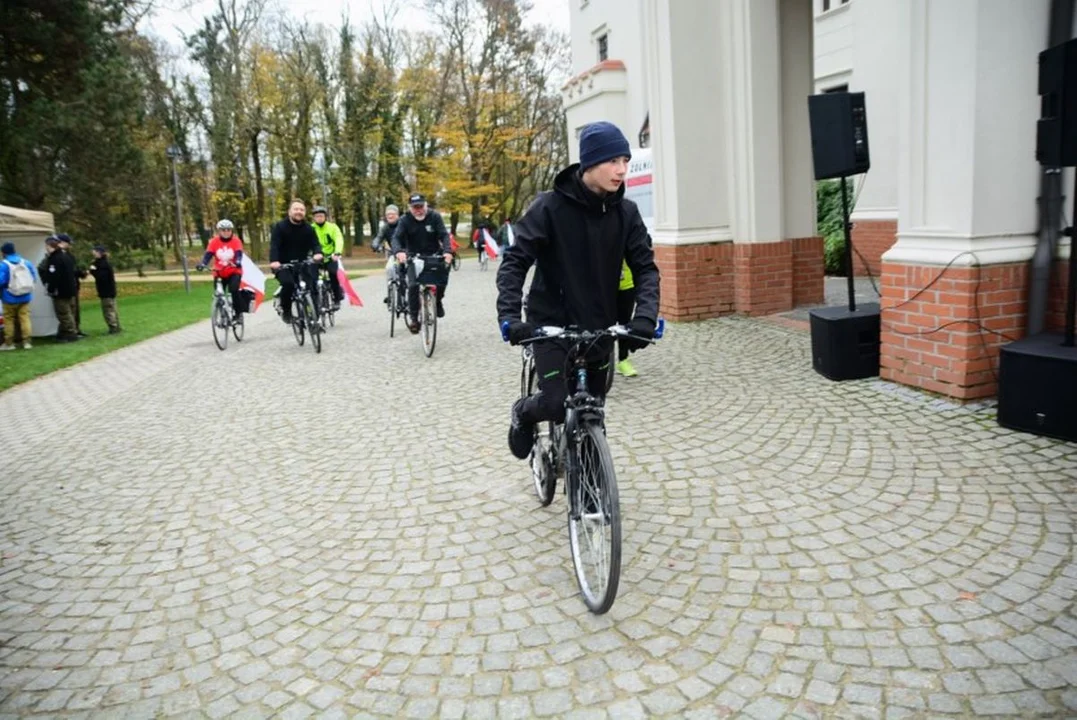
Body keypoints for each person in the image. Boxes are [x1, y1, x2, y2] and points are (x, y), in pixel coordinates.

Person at [497, 120, 660, 460]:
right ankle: (523, 412)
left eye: (626, 161)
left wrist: (644, 317)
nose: (621, 170)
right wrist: (510, 317)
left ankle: (590, 489)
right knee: (556, 403)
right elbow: (515, 262)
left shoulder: (626, 213)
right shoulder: (549, 207)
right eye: (613, 161)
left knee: (593, 410)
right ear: (589, 163)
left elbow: (646, 268)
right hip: (551, 324)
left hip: (600, 326)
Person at [391, 193, 453, 333]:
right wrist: (399, 251)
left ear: (426, 205)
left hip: (433, 254)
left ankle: (437, 301)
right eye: (415, 207)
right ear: (410, 208)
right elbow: (396, 238)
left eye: (421, 206)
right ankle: (414, 319)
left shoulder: (434, 217)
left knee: (442, 278)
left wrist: (447, 251)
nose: (418, 210)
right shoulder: (405, 220)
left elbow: (444, 235)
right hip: (414, 256)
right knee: (413, 285)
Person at [270, 200, 323, 323]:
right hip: (283, 265)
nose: (299, 212)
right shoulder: (280, 227)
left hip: (302, 263)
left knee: (312, 286)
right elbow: (275, 246)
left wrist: (318, 253)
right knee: (288, 284)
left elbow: (315, 244)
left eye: (302, 210)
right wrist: (274, 261)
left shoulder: (308, 228)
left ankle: (315, 318)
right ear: (290, 212)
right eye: (296, 209)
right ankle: (287, 312)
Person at [197, 220, 246, 317]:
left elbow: (239, 254)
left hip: (233, 271)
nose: (226, 232)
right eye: (223, 230)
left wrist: (237, 262)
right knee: (218, 294)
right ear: (219, 231)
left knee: (234, 290)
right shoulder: (214, 242)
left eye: (228, 230)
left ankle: (238, 313)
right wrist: (203, 264)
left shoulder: (236, 241)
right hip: (219, 272)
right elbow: (208, 255)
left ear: (231, 231)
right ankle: (222, 312)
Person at [38, 236, 80, 342]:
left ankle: (71, 333)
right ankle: (65, 332)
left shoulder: (54, 259)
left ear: (49, 246)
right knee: (71, 311)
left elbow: (54, 276)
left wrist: (50, 289)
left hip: (60, 291)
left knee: (64, 313)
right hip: (71, 289)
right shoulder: (67, 256)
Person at [0, 241, 38, 350]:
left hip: (9, 297)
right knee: (25, 318)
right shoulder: (26, 263)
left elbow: (1, 281)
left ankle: (9, 343)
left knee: (9, 319)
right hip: (25, 296)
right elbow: (33, 278)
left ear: (3, 252)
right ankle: (27, 342)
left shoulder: (4, 265)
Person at [311, 206, 344, 309]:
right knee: (312, 277)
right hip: (316, 258)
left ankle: (337, 298)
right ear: (314, 218)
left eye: (321, 216)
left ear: (325, 217)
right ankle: (314, 300)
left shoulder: (332, 227)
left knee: (333, 274)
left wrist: (337, 252)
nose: (319, 218)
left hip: (330, 256)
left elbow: (338, 239)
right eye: (317, 216)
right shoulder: (311, 228)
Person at [55, 233, 86, 338]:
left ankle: (76, 328)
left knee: (74, 309)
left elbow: (73, 270)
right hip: (65, 287)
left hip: (73, 285)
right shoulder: (58, 256)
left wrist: (80, 273)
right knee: (67, 311)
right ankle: (70, 331)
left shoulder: (69, 256)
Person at [89, 245, 121, 334]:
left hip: (106, 291)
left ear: (99, 253)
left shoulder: (103, 264)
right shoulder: (101, 263)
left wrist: (93, 271)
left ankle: (113, 327)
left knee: (108, 310)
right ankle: (116, 326)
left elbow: (101, 277)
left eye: (94, 252)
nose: (93, 253)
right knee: (112, 309)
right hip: (108, 290)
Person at [616, 260, 638, 377]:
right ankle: (600, 360)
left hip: (627, 284)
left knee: (624, 324)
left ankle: (623, 360)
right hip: (603, 285)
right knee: (602, 323)